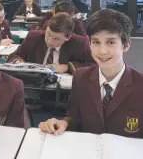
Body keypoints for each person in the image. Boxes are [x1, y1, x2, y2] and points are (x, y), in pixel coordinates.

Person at [39, 9, 143, 138]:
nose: (102, 51)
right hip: (88, 154)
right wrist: (63, 123)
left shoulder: (140, 85)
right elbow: (74, 118)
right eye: (96, 42)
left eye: (110, 42)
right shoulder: (81, 77)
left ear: (126, 45)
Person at [7, 13, 94, 74]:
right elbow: (16, 55)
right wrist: (18, 62)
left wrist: (67, 67)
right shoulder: (33, 37)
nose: (49, 41)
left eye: (56, 38)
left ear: (68, 37)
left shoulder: (80, 43)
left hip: (65, 92)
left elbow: (93, 66)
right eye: (48, 34)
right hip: (34, 87)